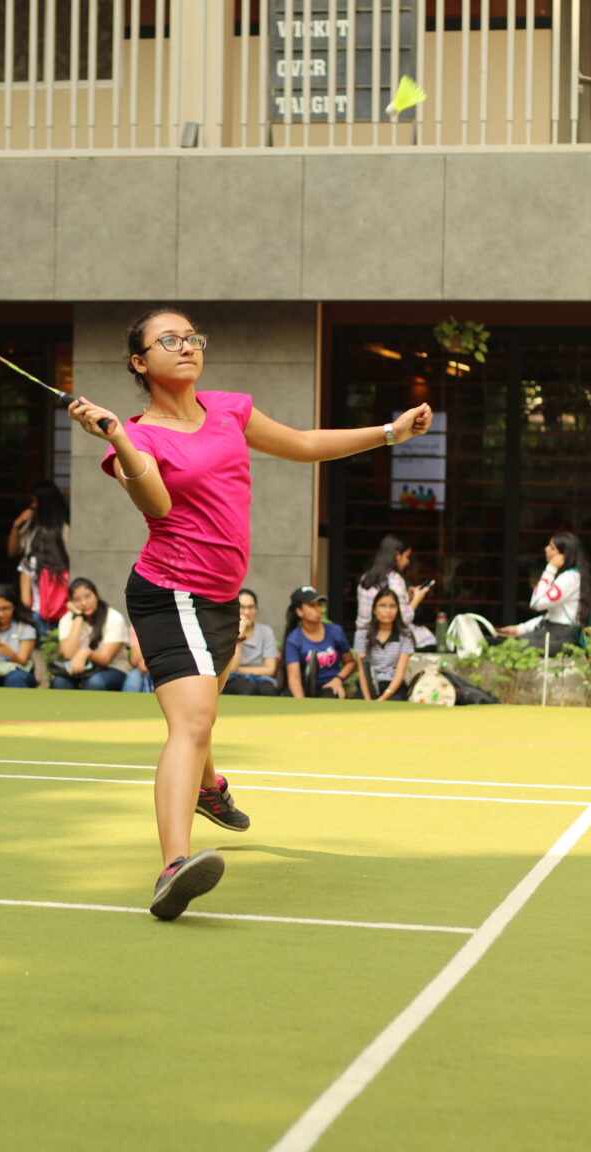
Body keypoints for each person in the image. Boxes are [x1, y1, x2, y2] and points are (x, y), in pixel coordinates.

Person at [67, 306, 432, 920]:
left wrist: (390, 433)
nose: (187, 346)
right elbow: (156, 504)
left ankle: (208, 789)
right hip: (170, 591)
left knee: (202, 710)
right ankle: (173, 867)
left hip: (219, 596)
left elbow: (305, 445)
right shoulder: (140, 436)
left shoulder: (229, 410)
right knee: (192, 721)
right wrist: (120, 438)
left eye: (193, 337)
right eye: (170, 340)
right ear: (139, 362)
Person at [497, 532, 590, 655]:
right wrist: (521, 629)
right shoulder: (572, 576)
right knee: (508, 643)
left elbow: (536, 603)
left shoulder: (569, 578)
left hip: (561, 636)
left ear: (562, 556)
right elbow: (553, 615)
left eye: (552, 547)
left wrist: (550, 568)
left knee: (512, 646)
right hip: (557, 632)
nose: (546, 549)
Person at [356, 533, 434, 650]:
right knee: (428, 638)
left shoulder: (365, 578)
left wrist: (406, 596)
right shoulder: (395, 581)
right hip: (387, 637)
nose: (408, 562)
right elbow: (403, 619)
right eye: (407, 556)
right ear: (397, 555)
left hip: (364, 636)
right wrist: (417, 599)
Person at [50, 577, 131, 691]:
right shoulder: (67, 619)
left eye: (88, 596)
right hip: (78, 669)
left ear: (96, 596)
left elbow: (105, 659)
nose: (84, 603)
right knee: (59, 682)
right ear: (71, 602)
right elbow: (68, 654)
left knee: (94, 682)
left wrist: (86, 653)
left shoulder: (113, 617)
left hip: (112, 669)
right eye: (77, 600)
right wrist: (78, 617)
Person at [16, 484, 71, 637]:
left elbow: (26, 600)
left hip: (39, 612)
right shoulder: (66, 567)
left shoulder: (30, 562)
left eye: (35, 501)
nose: (33, 506)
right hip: (64, 613)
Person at [283, 587, 356, 698]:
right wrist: (301, 704)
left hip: (330, 685)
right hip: (304, 687)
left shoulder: (335, 631)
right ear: (299, 611)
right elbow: (294, 678)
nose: (318, 609)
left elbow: (350, 663)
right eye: (312, 605)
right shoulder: (294, 639)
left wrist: (338, 679)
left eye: (319, 605)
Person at [353, 586, 413, 701]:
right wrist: (368, 699)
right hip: (369, 684)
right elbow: (362, 671)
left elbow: (399, 673)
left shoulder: (405, 635)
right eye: (382, 606)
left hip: (393, 688)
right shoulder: (362, 634)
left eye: (392, 606)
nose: (387, 611)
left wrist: (383, 697)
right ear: (374, 610)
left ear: (398, 610)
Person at [222, 587, 279, 696]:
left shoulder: (265, 631)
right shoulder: (225, 632)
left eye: (251, 607)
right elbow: (232, 669)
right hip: (232, 680)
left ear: (256, 609)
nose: (247, 612)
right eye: (242, 607)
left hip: (261, 678)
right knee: (247, 688)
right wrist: (239, 636)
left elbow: (270, 669)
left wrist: (240, 670)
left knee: (268, 689)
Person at [8, 480, 70, 559]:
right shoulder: (32, 522)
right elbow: (13, 552)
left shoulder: (65, 525)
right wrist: (17, 524)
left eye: (35, 501)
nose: (32, 505)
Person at [122, 625, 154, 692]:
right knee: (134, 676)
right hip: (146, 667)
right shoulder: (138, 624)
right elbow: (135, 660)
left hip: (169, 666)